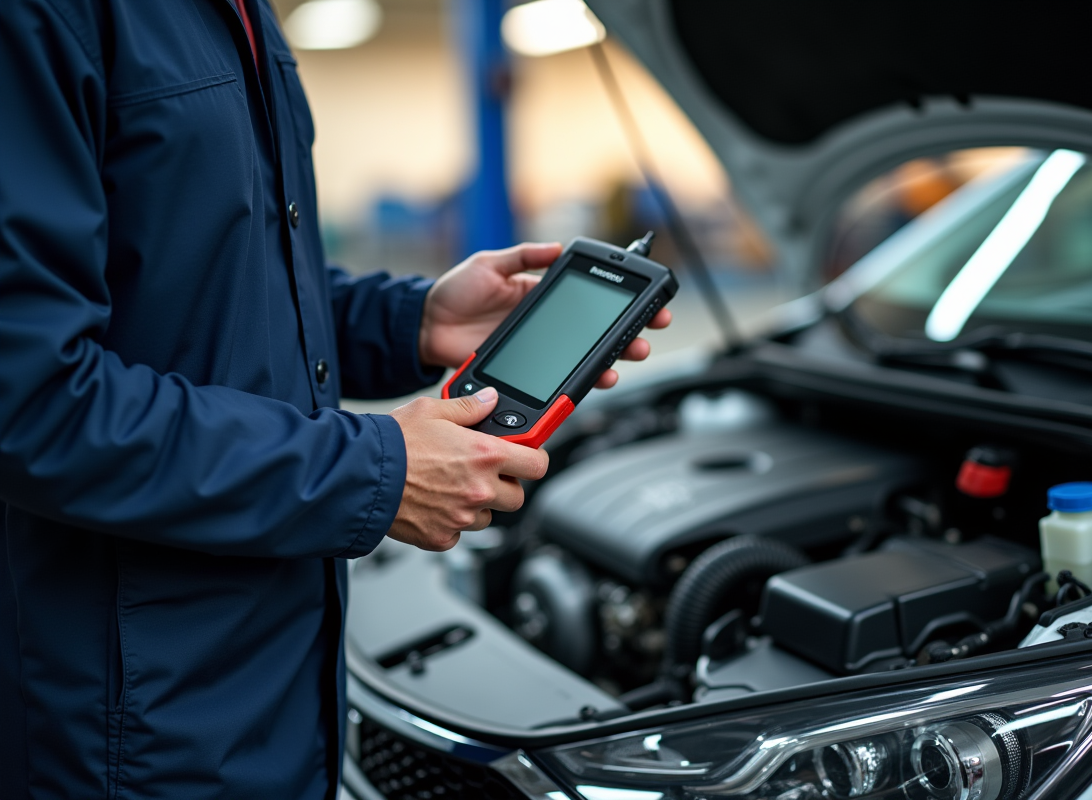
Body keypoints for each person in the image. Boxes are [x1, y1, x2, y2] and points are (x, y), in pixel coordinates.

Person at [0, 1, 670, 797]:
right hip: (132, 725)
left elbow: (207, 293)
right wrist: (373, 471)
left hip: (278, 687)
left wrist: (412, 320)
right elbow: (32, 401)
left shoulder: (240, 15)